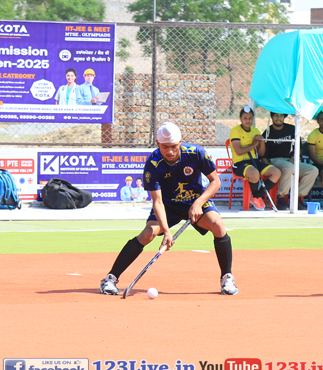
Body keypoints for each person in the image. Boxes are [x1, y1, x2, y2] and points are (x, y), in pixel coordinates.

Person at [100, 121, 238, 296]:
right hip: (167, 206)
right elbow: (157, 202)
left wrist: (198, 203)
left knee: (217, 224)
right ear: (158, 144)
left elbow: (215, 181)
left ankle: (227, 278)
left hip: (194, 201)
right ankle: (110, 278)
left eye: (173, 146)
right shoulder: (153, 163)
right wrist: (166, 231)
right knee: (148, 234)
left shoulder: (195, 153)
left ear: (180, 142)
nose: (170, 151)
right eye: (165, 147)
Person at [261, 112, 318, 210]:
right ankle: (281, 198)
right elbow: (263, 156)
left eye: (281, 116)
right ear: (272, 117)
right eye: (276, 115)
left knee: (313, 170)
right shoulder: (267, 132)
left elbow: (298, 149)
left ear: (284, 117)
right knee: (289, 167)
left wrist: (293, 158)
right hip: (275, 161)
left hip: (290, 160)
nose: (278, 118)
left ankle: (297, 198)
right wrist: (266, 166)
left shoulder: (291, 129)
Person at [228, 106, 278, 211]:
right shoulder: (235, 131)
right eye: (245, 118)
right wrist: (254, 144)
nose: (248, 120)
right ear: (240, 119)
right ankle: (256, 196)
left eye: (250, 118)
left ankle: (256, 195)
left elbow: (261, 153)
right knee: (254, 173)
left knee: (276, 172)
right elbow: (239, 151)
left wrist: (261, 141)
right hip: (240, 163)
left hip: (254, 161)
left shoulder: (255, 130)